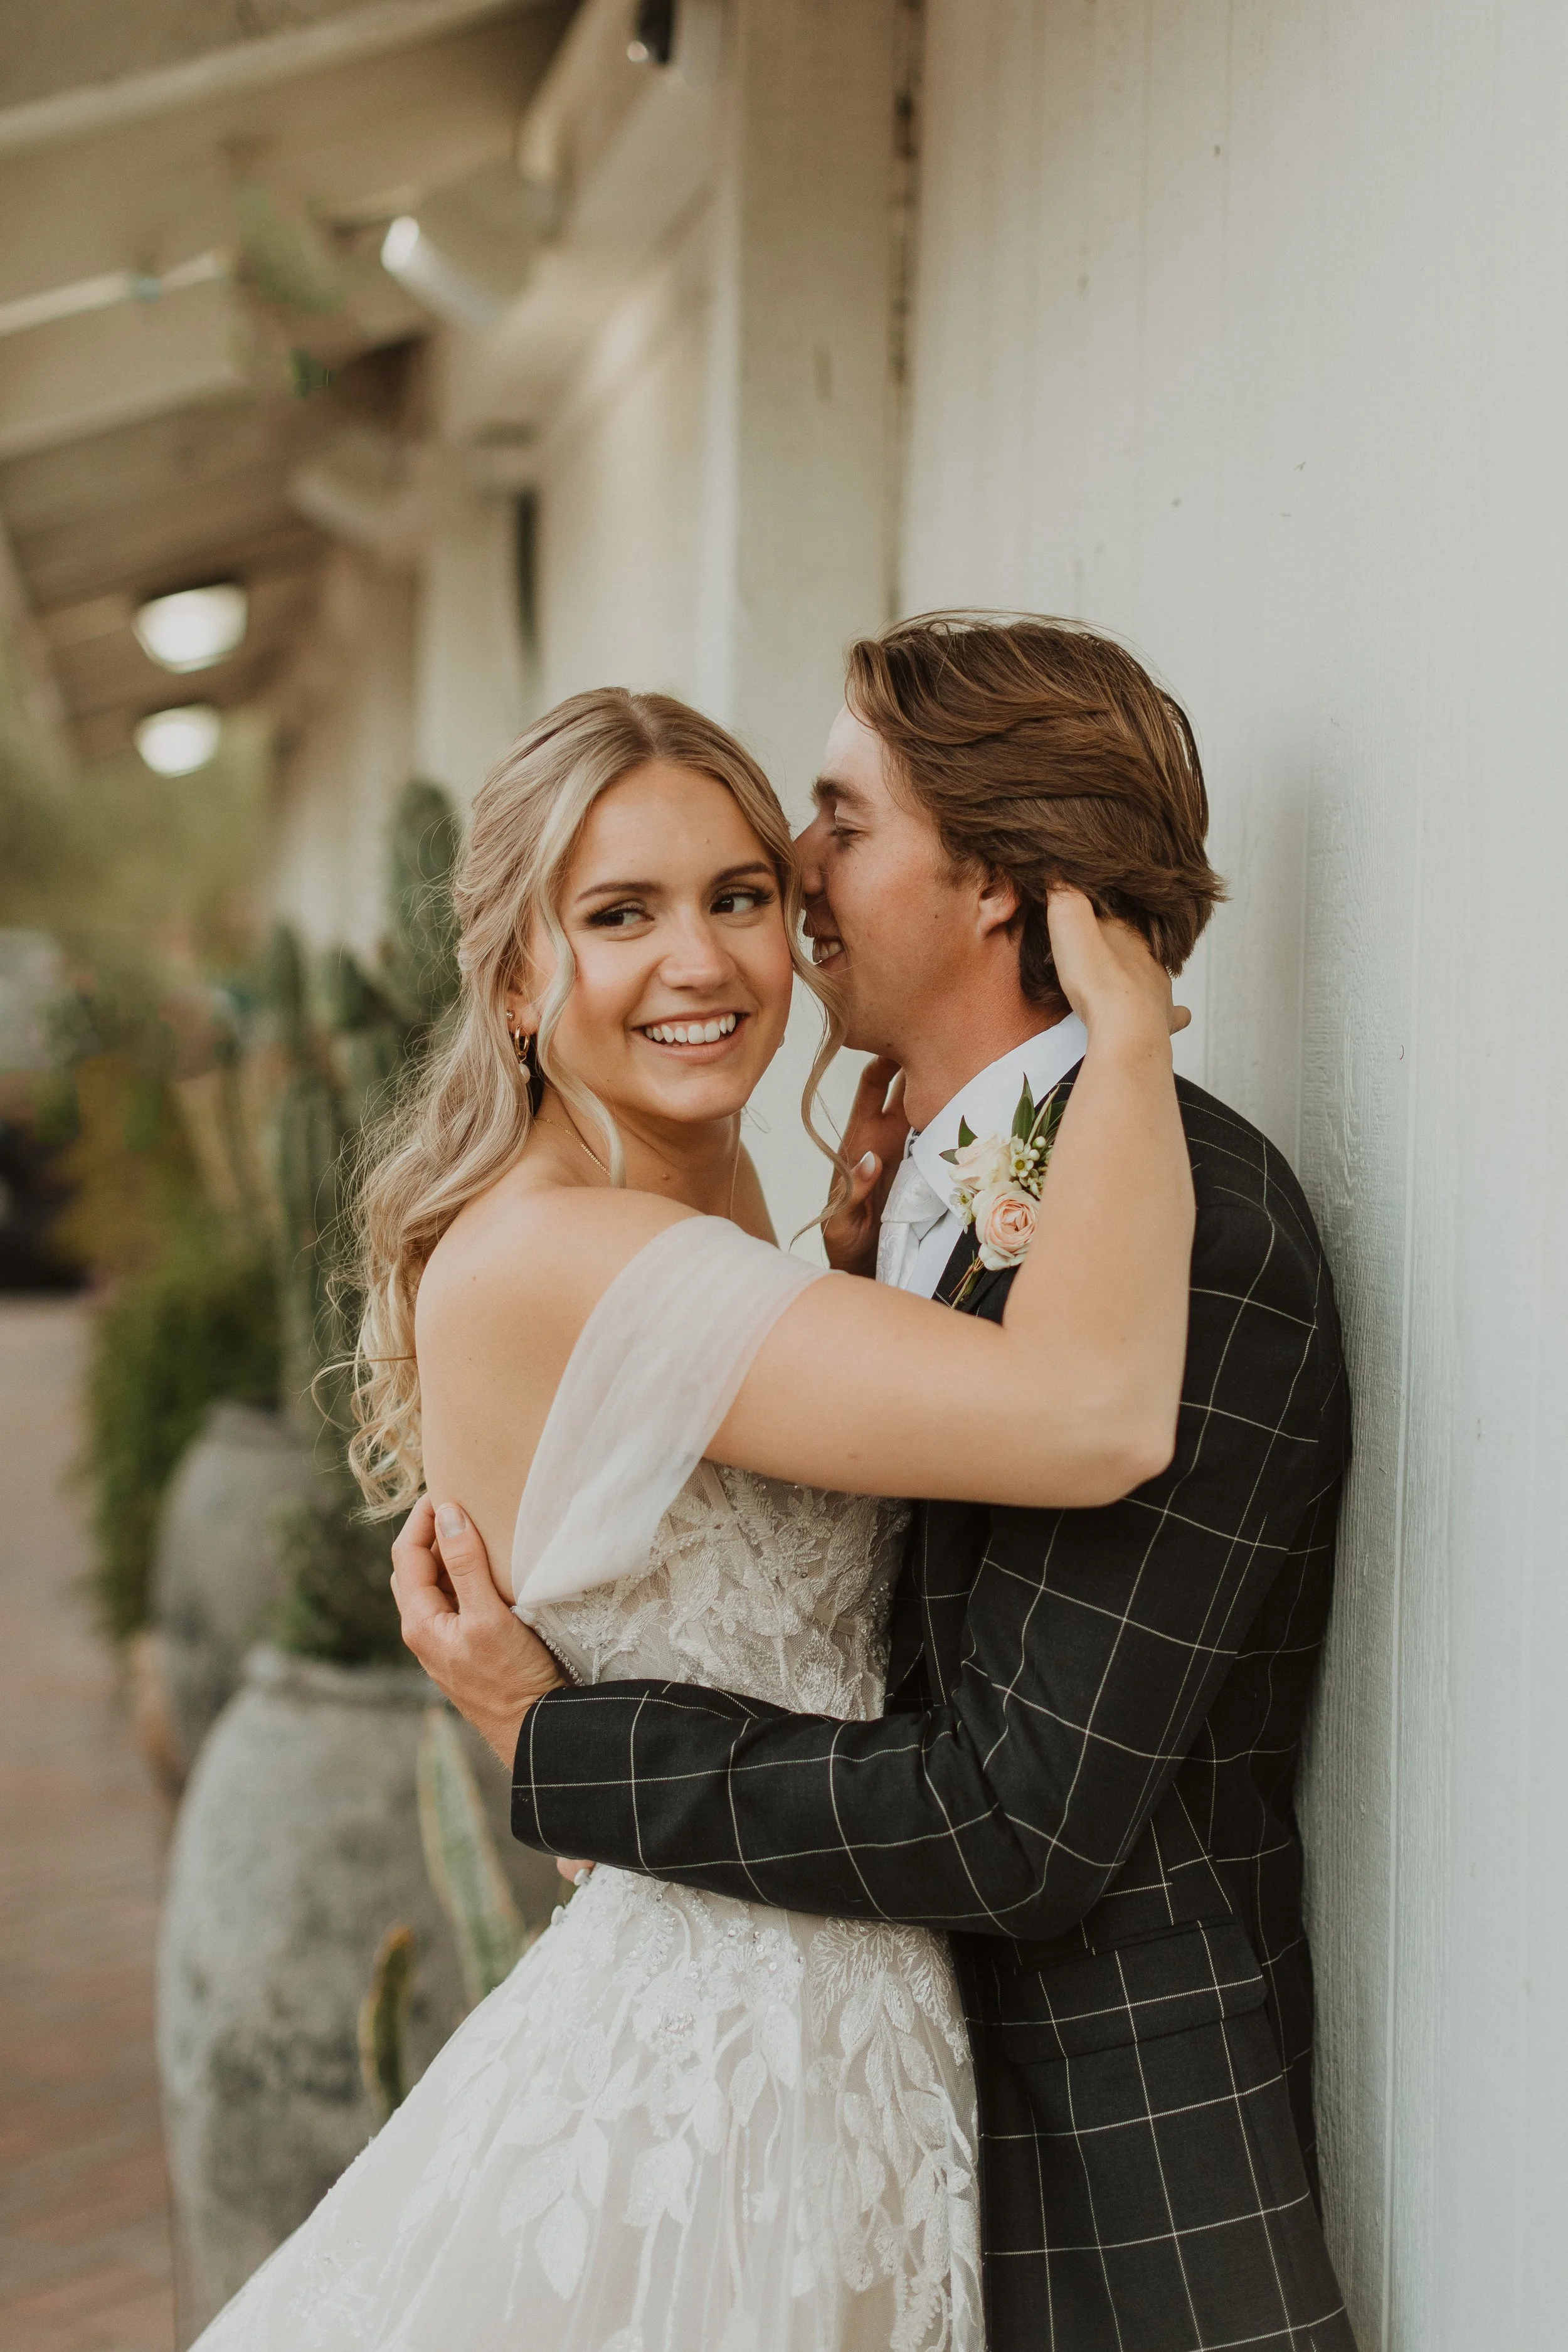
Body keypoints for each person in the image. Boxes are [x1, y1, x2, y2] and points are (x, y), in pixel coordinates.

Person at [191, 679, 1192, 2352]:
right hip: (733, 2083)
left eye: (737, 897)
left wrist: (848, 1267)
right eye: (618, 914)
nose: (701, 963)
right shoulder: (570, 1250)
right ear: (517, 971)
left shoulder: (687, 1194)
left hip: (828, 2008)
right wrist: (1135, 1039)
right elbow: (1088, 1417)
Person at [403, 618, 1359, 2352]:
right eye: (620, 910)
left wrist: (561, 1749)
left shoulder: (1175, 1231)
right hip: (773, 2079)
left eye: (814, 835)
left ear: (1002, 881)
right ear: (521, 972)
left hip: (1101, 2158)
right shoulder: (719, 1229)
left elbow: (1017, 1802)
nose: (788, 883)